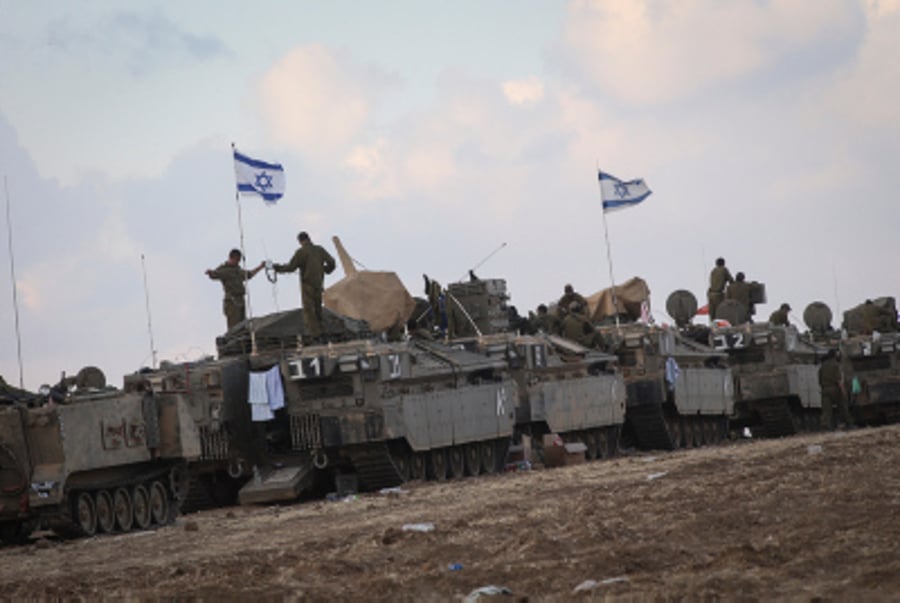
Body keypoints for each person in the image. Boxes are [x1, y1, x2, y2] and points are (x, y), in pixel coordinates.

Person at [273, 232, 336, 343]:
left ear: (300, 241)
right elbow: (332, 262)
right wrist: (326, 270)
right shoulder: (319, 250)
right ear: (309, 238)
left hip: (307, 285)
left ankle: (316, 336)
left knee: (309, 311)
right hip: (319, 284)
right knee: (318, 309)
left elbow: (291, 267)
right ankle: (323, 333)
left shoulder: (301, 252)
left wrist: (276, 268)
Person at [206, 249, 265, 330]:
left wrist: (260, 267)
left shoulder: (237, 270)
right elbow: (215, 275)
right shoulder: (224, 269)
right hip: (232, 302)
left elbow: (249, 274)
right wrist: (210, 273)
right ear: (232, 258)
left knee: (243, 326)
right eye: (237, 260)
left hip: (240, 300)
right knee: (234, 328)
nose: (238, 262)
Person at [818, 349, 852, 429]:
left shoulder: (822, 366)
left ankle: (826, 425)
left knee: (826, 410)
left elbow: (819, 381)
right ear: (835, 356)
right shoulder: (836, 365)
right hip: (835, 390)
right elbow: (839, 380)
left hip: (825, 390)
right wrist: (843, 391)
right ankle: (849, 423)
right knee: (843, 407)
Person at [707, 258, 733, 322]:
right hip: (719, 295)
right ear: (724, 264)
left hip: (710, 294)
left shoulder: (713, 271)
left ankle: (712, 327)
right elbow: (731, 281)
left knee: (712, 313)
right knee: (720, 312)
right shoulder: (724, 270)